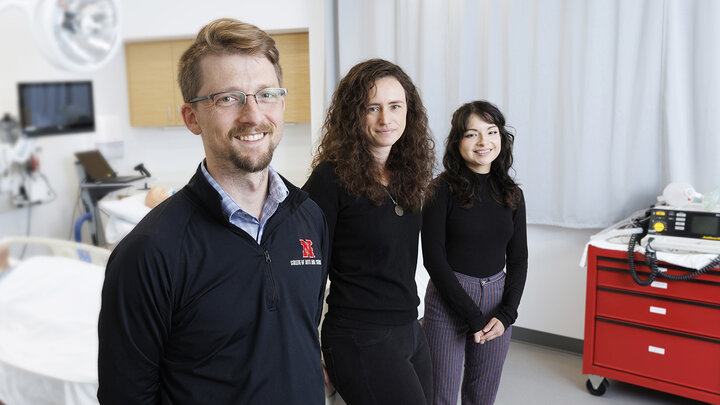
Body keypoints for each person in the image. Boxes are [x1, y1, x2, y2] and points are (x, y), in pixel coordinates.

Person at [97, 18, 329, 404]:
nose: (253, 115)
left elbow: (300, 335)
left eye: (266, 94)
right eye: (228, 98)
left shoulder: (309, 217)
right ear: (192, 118)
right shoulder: (149, 252)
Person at [303, 58, 436, 404]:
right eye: (371, 108)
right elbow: (304, 272)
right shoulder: (329, 179)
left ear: (410, 110)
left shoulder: (407, 172)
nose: (385, 119)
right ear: (353, 114)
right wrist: (306, 349)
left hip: (409, 326)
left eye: (395, 106)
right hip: (358, 333)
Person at [421, 100, 528, 405]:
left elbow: (519, 259)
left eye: (491, 131)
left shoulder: (512, 193)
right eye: (472, 134)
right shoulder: (439, 190)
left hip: (497, 301)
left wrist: (507, 315)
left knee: (482, 396)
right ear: (457, 142)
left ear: (501, 139)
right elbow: (433, 259)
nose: (484, 142)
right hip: (448, 299)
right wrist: (472, 316)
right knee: (440, 394)